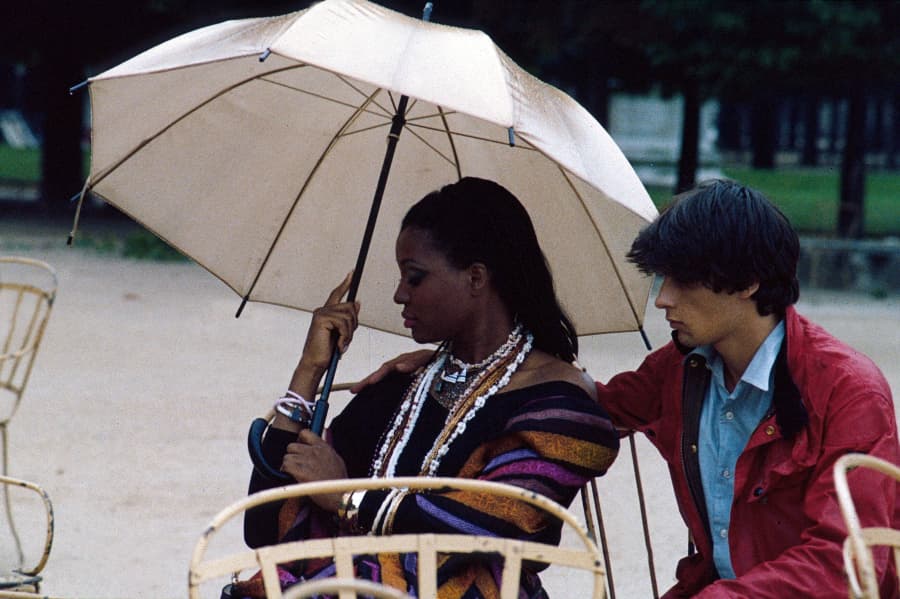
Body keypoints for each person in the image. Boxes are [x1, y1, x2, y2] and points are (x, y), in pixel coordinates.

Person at [360, 179, 899, 597]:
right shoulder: (682, 368)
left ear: (747, 282)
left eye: (680, 281)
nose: (662, 300)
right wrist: (457, 367)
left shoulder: (847, 391)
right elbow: (579, 402)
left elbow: (850, 563)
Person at [232, 177, 620, 599]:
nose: (399, 294)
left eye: (414, 277)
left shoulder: (559, 409)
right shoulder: (397, 387)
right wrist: (309, 372)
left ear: (475, 278)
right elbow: (263, 527)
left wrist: (348, 498)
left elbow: (500, 522)